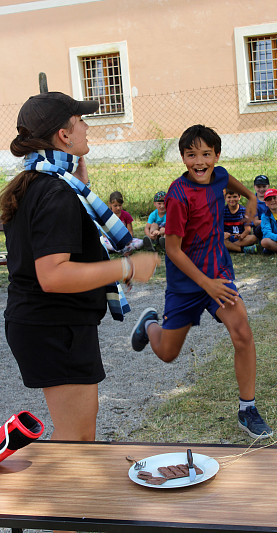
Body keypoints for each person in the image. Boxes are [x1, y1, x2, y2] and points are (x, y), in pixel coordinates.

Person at [0, 91, 159, 443]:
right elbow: (53, 274)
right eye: (80, 121)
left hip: (48, 324)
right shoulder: (56, 193)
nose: (87, 126)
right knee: (76, 438)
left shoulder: (39, 186)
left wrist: (80, 188)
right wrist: (126, 268)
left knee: (77, 435)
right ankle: (30, 492)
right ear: (64, 135)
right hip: (54, 326)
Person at [130, 124, 273, 440]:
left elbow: (228, 179)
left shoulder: (219, 175)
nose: (199, 161)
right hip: (187, 283)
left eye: (206, 154)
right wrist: (205, 284)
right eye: (191, 154)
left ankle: (247, 409)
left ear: (216, 155)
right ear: (183, 157)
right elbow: (172, 250)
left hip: (219, 275)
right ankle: (150, 325)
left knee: (242, 333)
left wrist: (250, 196)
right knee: (168, 353)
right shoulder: (178, 195)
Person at [223, 189, 257, 253]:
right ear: (225, 198)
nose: (232, 199)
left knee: (253, 238)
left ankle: (230, 247)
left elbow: (248, 230)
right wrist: (223, 234)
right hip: (227, 238)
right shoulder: (222, 211)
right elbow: (218, 228)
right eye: (229, 197)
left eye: (235, 197)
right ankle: (242, 249)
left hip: (241, 239)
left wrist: (241, 236)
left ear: (239, 197)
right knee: (218, 239)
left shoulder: (244, 211)